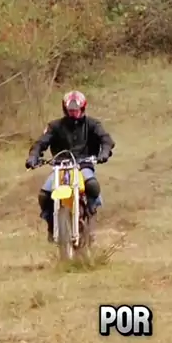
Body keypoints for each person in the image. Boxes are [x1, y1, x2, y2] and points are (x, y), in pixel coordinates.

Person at [25, 90, 115, 241]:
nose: (74, 113)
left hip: (83, 164)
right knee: (44, 195)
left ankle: (91, 213)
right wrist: (33, 156)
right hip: (61, 166)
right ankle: (51, 224)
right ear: (65, 109)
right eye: (70, 110)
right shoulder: (54, 126)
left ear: (83, 108)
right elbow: (40, 143)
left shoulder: (93, 124)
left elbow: (106, 139)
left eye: (76, 110)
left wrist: (104, 153)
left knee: (92, 185)